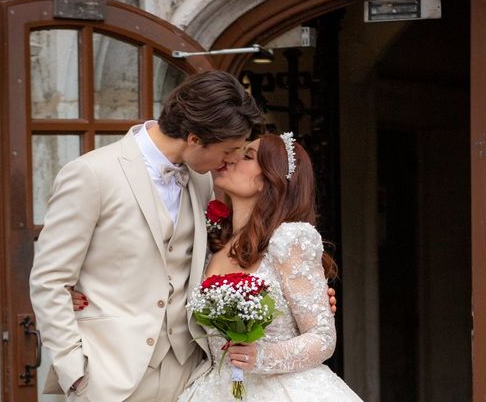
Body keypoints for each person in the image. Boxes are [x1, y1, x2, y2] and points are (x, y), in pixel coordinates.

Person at [30, 71, 265, 402]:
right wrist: (75, 373)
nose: (232, 160)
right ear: (195, 138)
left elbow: (222, 252)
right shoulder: (92, 174)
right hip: (109, 375)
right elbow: (50, 280)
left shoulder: (203, 182)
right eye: (229, 150)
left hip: (189, 370)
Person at [177, 133, 364, 401]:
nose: (231, 160)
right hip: (216, 388)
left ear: (268, 180)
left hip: (282, 390)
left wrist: (261, 357)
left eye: (247, 156)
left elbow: (323, 337)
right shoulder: (211, 244)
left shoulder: (289, 239)